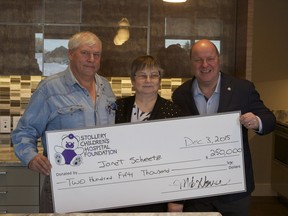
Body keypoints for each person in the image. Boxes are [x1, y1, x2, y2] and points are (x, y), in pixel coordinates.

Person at [11, 31, 116, 213]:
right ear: (70, 54)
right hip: (63, 184)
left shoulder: (105, 87)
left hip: (103, 184)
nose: (91, 59)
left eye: (96, 54)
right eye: (85, 53)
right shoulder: (50, 88)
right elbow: (23, 132)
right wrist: (31, 157)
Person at [171, 39, 276, 216]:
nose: (205, 65)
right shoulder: (181, 94)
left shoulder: (242, 88)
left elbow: (269, 120)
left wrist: (257, 121)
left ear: (219, 60)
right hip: (197, 191)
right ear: (191, 63)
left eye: (210, 58)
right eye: (198, 60)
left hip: (234, 192)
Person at [110, 55, 186, 212]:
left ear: (159, 80)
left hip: (158, 191)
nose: (148, 80)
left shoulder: (173, 111)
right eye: (142, 76)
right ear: (132, 80)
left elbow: (179, 158)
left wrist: (176, 199)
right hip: (120, 191)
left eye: (153, 75)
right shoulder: (118, 108)